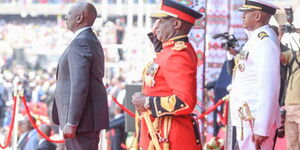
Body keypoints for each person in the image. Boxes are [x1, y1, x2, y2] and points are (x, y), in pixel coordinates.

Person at [131, 0, 202, 149]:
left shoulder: (177, 55)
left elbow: (185, 101)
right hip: (160, 134)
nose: (156, 26)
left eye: (161, 21)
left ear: (176, 24)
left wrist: (147, 102)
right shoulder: (169, 51)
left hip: (169, 137)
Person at [51, 2, 109, 150]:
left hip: (81, 122)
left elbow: (80, 85)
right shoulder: (89, 39)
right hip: (85, 120)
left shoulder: (81, 42)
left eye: (69, 14)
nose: (66, 17)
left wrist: (72, 122)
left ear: (79, 18)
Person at [229, 0, 281, 149]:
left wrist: (262, 127)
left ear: (257, 16)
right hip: (247, 119)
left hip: (255, 121)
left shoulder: (264, 42)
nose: (242, 16)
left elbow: (269, 86)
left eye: (246, 13)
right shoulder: (255, 39)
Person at [280, 26, 300, 150]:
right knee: (291, 145)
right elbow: (277, 56)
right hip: (290, 106)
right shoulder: (293, 54)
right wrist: (280, 37)